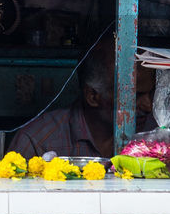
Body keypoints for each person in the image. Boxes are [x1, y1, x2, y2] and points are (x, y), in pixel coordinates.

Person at [9, 39, 155, 159]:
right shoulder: (37, 142)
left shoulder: (157, 136)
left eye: (151, 93)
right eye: (134, 97)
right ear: (92, 96)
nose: (148, 106)